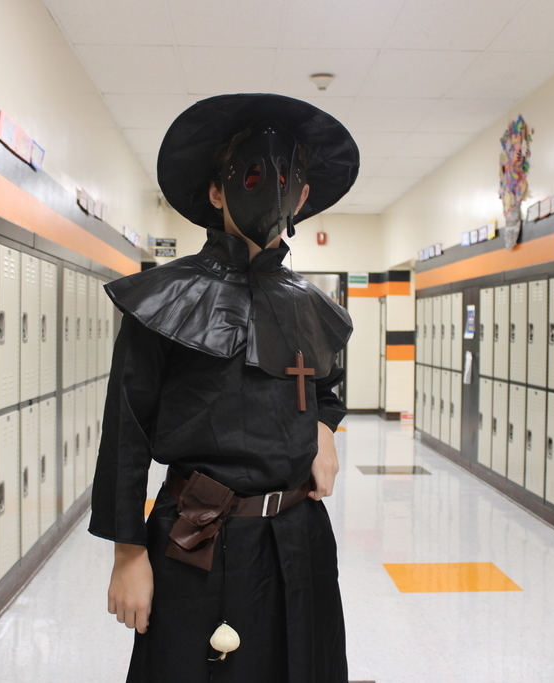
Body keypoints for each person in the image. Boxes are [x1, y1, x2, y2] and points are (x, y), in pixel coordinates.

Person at [89, 93, 360, 683]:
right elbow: (126, 434)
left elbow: (329, 389)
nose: (272, 188)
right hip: (197, 535)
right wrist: (127, 552)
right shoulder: (165, 299)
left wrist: (322, 426)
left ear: (303, 196)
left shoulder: (315, 309)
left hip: (297, 537)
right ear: (217, 191)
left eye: (287, 176)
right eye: (254, 172)